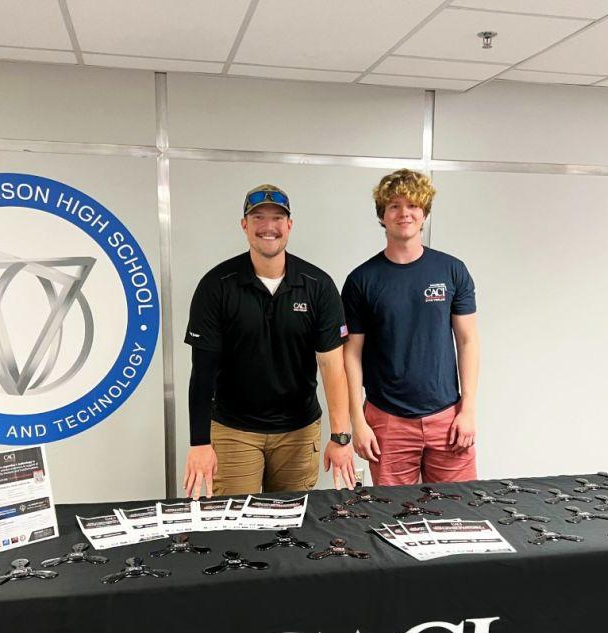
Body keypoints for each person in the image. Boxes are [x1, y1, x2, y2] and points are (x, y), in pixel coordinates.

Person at [183, 184, 356, 499]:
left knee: (291, 528)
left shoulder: (318, 286)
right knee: (234, 526)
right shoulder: (216, 286)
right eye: (258, 217)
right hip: (234, 431)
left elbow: (333, 367)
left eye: (277, 217)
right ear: (244, 225)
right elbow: (203, 372)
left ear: (289, 225)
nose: (268, 226)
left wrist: (341, 438)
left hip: (299, 433)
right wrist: (199, 443)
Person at [341, 169, 480, 485]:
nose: (404, 213)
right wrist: (357, 421)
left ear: (425, 213)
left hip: (448, 418)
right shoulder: (361, 280)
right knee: (394, 517)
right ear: (382, 216)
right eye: (394, 206)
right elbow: (351, 354)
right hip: (387, 421)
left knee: (458, 514)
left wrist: (468, 409)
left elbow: (468, 340)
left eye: (413, 205)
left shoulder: (452, 271)